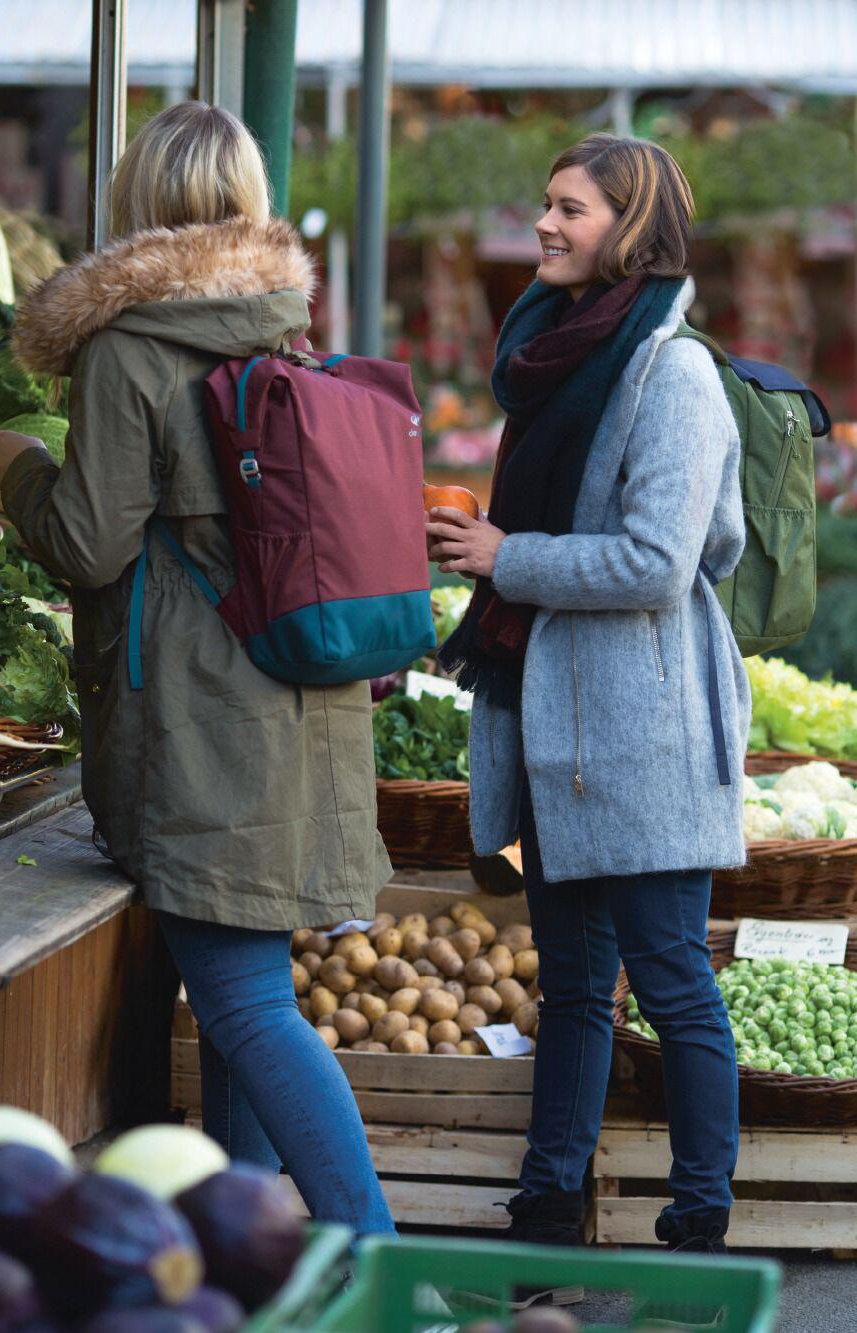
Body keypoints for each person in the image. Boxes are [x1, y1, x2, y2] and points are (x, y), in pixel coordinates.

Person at [0, 101, 394, 1236]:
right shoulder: (282, 324)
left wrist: (17, 465)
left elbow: (86, 542)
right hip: (299, 704)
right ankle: (248, 1255)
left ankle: (382, 1267)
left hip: (205, 724)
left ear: (138, 206)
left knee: (250, 1005)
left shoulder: (128, 348)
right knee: (236, 1009)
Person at [427, 134, 747, 1256]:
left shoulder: (676, 373)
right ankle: (548, 1204)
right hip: (555, 716)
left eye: (570, 210)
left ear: (632, 227)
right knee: (573, 981)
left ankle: (700, 1219)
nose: (545, 226)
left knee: (671, 979)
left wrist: (506, 556)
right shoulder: (557, 355)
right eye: (545, 205)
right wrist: (487, 546)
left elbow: (662, 561)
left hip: (644, 725)